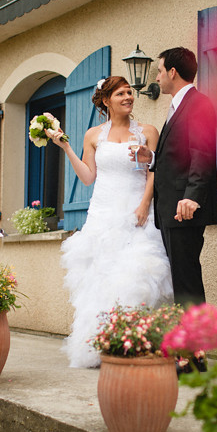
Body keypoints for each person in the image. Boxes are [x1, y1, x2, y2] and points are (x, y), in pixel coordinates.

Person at [47, 76, 173, 368]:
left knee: (138, 275)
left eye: (130, 92)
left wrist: (144, 204)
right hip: (103, 214)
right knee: (100, 280)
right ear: (106, 101)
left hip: (137, 212)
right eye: (121, 93)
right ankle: (101, 345)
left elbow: (155, 171)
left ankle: (137, 344)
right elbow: (89, 177)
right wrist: (65, 148)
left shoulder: (148, 132)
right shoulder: (93, 135)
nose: (128, 97)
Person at [133, 47, 217, 307]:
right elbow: (181, 155)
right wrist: (152, 157)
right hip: (172, 208)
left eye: (160, 71)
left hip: (184, 208)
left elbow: (202, 153)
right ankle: (190, 343)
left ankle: (196, 344)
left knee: (187, 281)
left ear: (173, 71)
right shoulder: (178, 105)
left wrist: (192, 198)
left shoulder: (199, 104)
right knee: (182, 280)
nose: (157, 78)